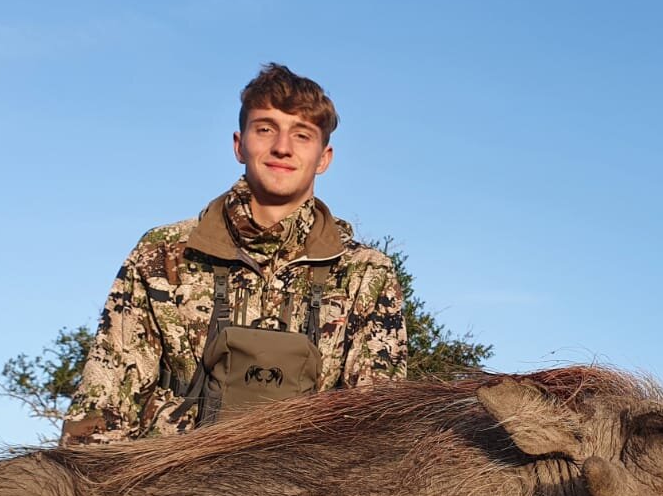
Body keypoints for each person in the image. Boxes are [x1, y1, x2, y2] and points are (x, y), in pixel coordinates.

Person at [61, 64, 406, 444]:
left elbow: (376, 427)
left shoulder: (365, 273)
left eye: (302, 135)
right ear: (239, 145)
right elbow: (104, 402)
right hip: (166, 490)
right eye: (265, 128)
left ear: (324, 158)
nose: (282, 147)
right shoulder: (162, 253)